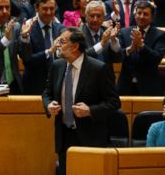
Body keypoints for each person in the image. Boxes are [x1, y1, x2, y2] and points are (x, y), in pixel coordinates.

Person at [42, 26, 121, 175]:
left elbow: (114, 102)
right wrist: (48, 105)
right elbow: (47, 93)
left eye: (62, 41)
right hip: (64, 136)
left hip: (91, 138)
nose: (57, 45)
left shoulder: (98, 69)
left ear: (75, 46)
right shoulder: (57, 66)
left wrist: (90, 110)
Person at [118, 0, 165, 95]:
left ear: (152, 18)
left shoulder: (159, 34)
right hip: (126, 85)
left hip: (149, 86)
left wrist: (142, 46)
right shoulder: (124, 32)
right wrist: (129, 50)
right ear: (135, 15)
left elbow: (157, 58)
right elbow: (118, 55)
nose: (141, 17)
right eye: (139, 13)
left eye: (145, 14)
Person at [23, 0, 64, 95]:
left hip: (58, 85)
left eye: (52, 9)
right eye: (45, 9)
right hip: (34, 86)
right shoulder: (28, 29)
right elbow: (27, 60)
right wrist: (49, 51)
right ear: (36, 8)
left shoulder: (61, 29)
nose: (49, 12)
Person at [82, 0, 122, 79]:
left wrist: (114, 41)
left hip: (107, 80)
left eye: (99, 16)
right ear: (86, 17)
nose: (95, 19)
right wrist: (102, 44)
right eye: (92, 16)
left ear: (104, 17)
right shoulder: (79, 33)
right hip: (87, 80)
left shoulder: (108, 31)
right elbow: (82, 58)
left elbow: (118, 59)